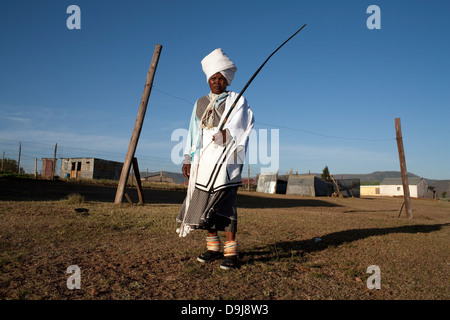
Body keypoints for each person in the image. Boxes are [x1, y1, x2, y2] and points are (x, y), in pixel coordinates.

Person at [176, 48, 254, 270]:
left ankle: (231, 252)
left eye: (221, 78)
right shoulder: (200, 103)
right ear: (208, 80)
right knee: (204, 205)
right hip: (203, 161)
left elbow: (244, 125)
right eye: (213, 78)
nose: (217, 82)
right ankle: (213, 248)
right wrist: (187, 158)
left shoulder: (237, 100)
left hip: (227, 162)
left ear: (227, 81)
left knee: (226, 206)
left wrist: (226, 134)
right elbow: (193, 132)